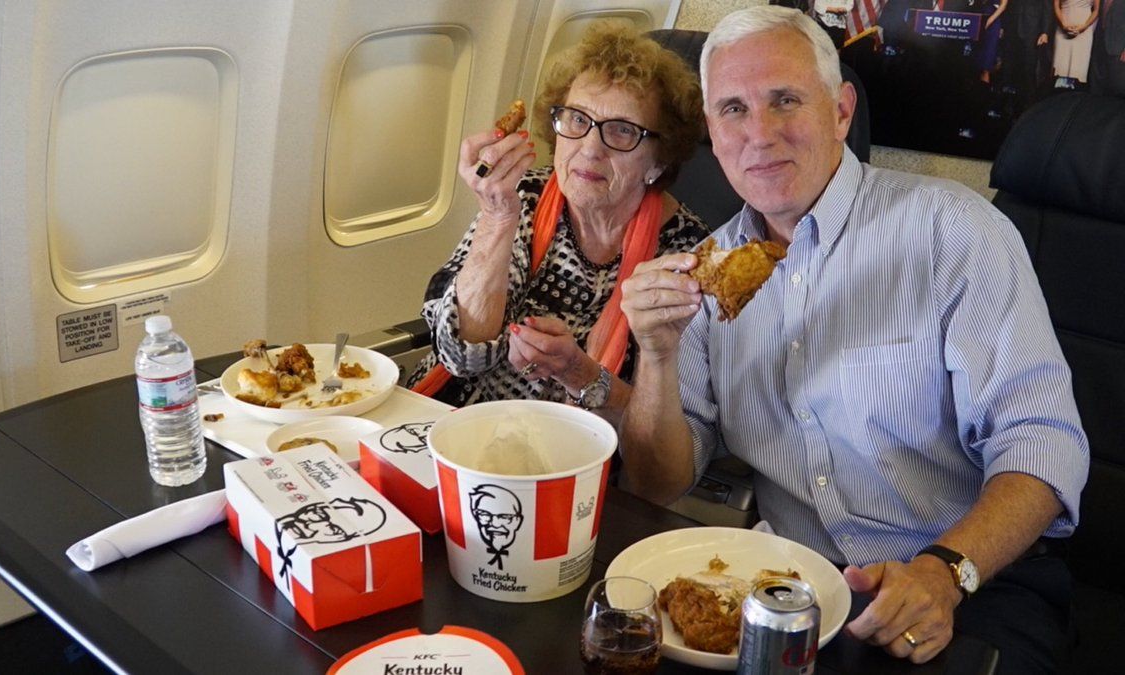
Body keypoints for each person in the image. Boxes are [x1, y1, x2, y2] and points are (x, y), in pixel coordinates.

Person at [619, 6, 1088, 673]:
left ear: (840, 112)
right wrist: (659, 356)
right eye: (732, 110)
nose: (760, 133)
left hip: (972, 578)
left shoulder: (952, 233)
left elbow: (1045, 447)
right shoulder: (703, 276)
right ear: (712, 136)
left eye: (785, 100)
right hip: (794, 584)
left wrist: (943, 572)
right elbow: (662, 479)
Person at [406, 22, 709, 421]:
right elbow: (460, 355)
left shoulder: (688, 254)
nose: (589, 148)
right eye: (578, 120)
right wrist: (498, 219)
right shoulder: (522, 196)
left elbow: (667, 429)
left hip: (566, 454)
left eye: (622, 131)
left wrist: (579, 373)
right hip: (445, 420)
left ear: (661, 158)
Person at [1053, 0, 1101, 87]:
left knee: (1078, 69)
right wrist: (1063, 25)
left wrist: (1084, 26)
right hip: (1063, 28)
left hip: (1084, 30)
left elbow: (1096, 10)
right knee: (1060, 69)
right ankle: (1059, 95)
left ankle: (1075, 95)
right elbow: (1056, 7)